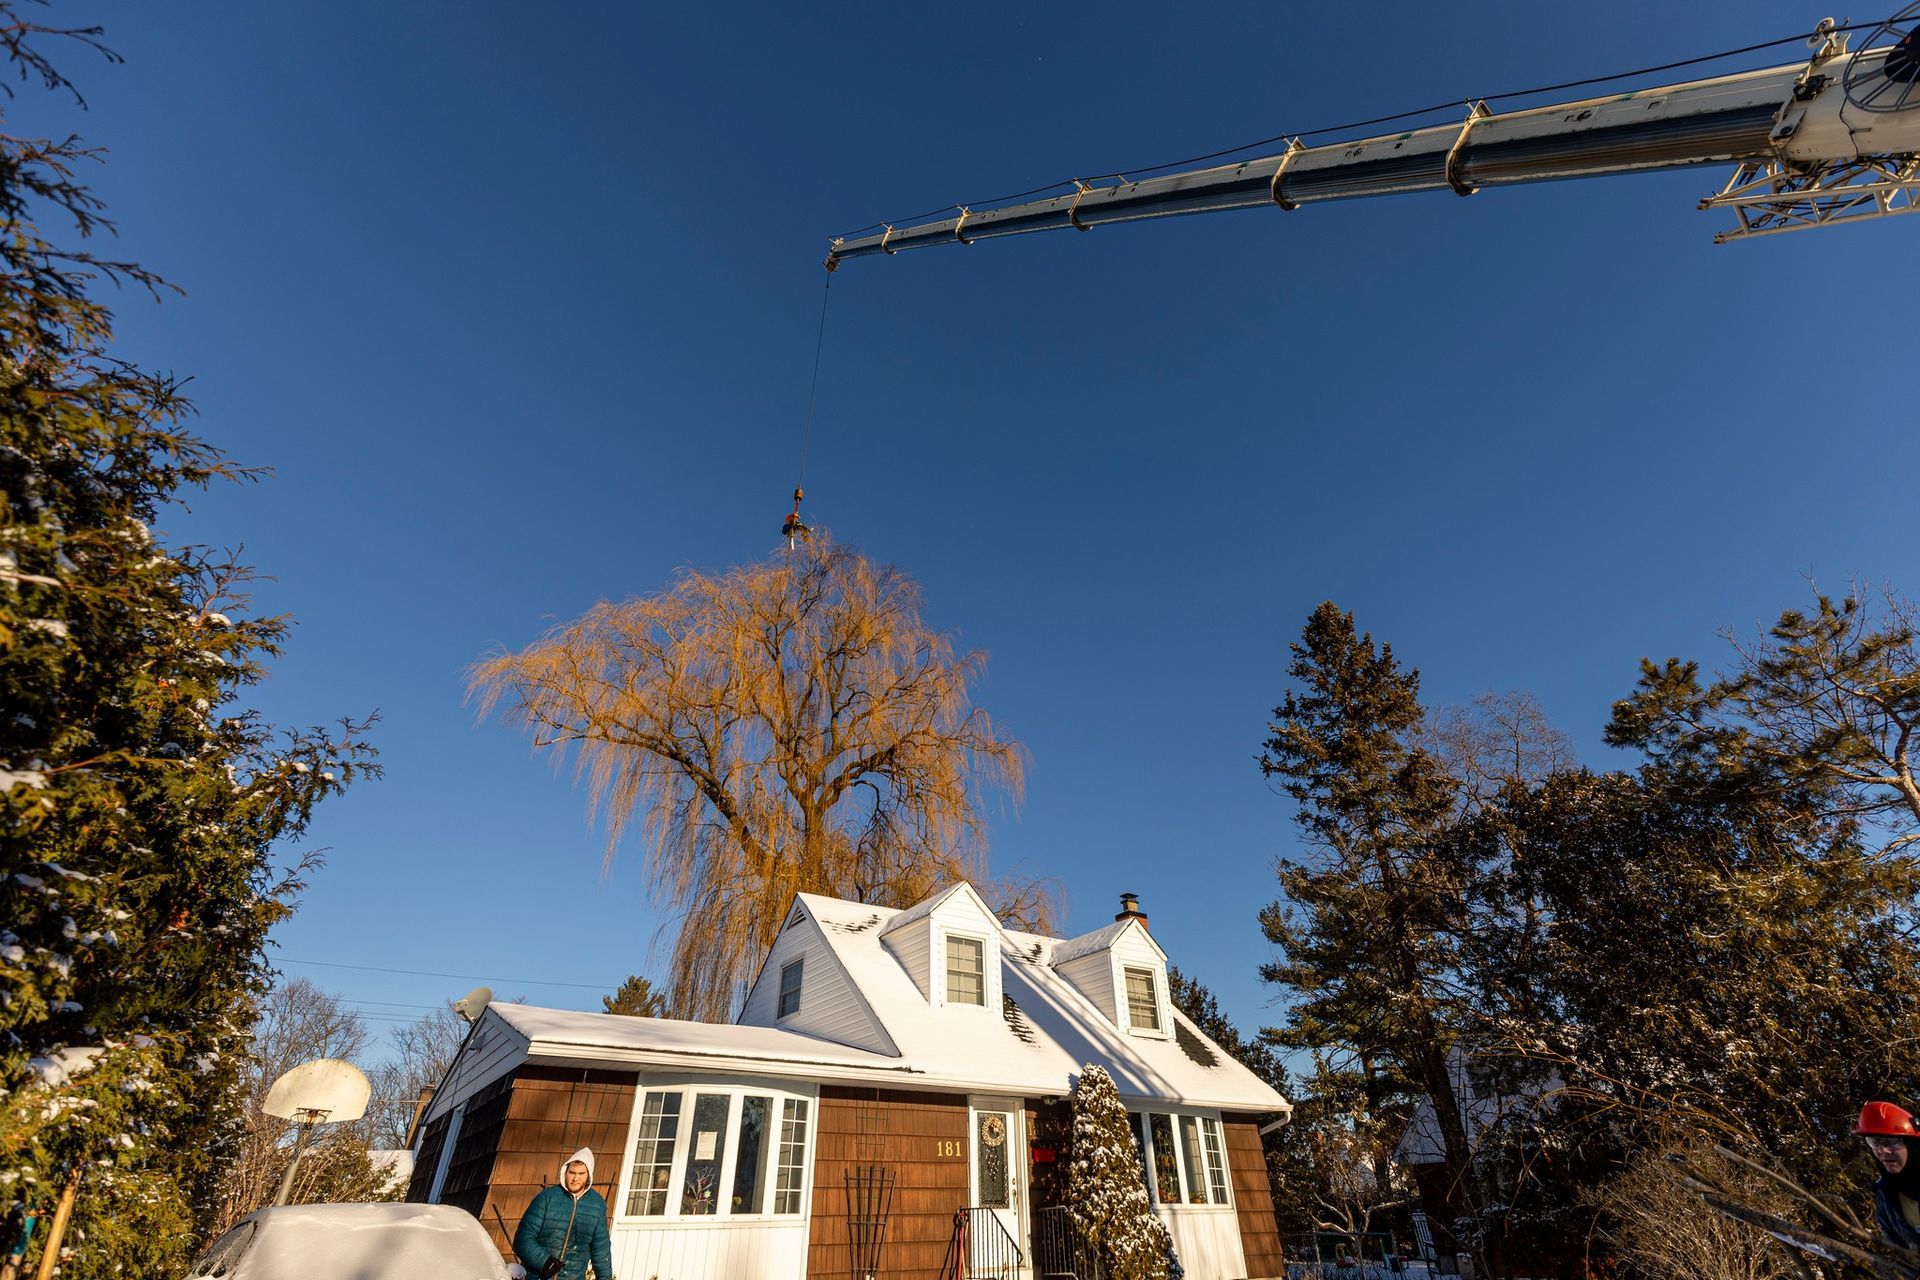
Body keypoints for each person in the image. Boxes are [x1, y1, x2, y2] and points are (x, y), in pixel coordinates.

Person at [513, 1148, 614, 1280]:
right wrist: (545, 1262)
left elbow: (601, 1251)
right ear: (565, 1171)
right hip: (539, 1276)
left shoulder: (597, 1205)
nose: (575, 1178)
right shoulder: (547, 1198)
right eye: (572, 1172)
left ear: (589, 1175)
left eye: (581, 1173)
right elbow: (522, 1239)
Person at [1859, 1100, 1920, 1249]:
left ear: (1911, 1145)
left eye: (1891, 1141)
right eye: (1874, 1142)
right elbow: (1899, 1253)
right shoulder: (1886, 1198)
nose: (1882, 1150)